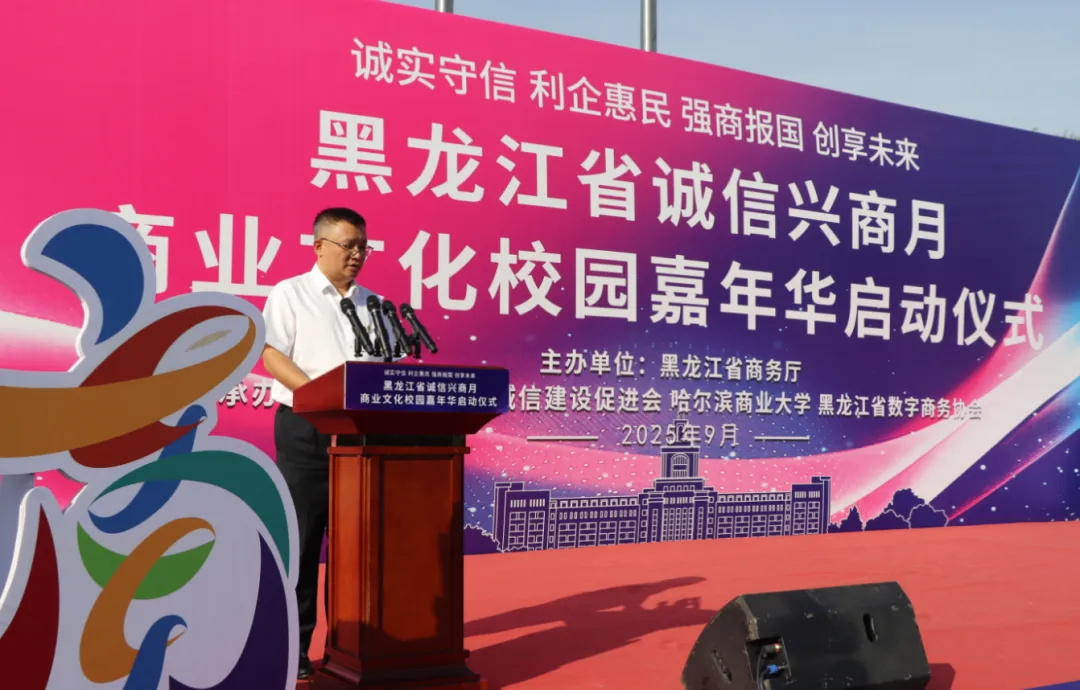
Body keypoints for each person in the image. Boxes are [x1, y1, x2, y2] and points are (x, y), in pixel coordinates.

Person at [261, 207, 396, 679]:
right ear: (319, 246)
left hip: (362, 437)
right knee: (301, 547)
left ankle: (350, 648)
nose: (357, 254)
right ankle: (293, 651)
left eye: (363, 246)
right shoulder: (291, 293)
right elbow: (271, 354)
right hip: (307, 432)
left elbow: (387, 367)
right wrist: (320, 399)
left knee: (355, 552)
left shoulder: (375, 304)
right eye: (348, 245)